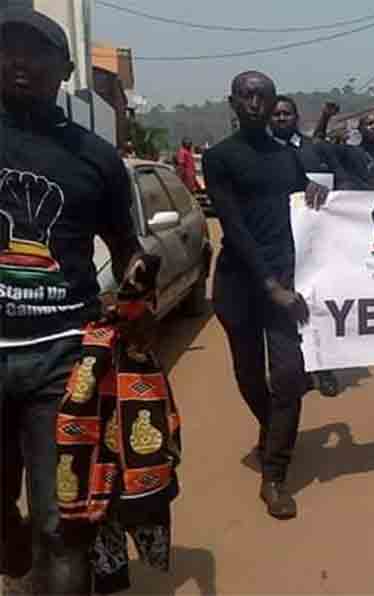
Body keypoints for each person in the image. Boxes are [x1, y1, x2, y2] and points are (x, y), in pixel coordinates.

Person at [0, 8, 147, 591]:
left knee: (63, 523)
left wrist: (139, 277)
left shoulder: (96, 158)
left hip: (63, 360)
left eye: (36, 53)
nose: (18, 62)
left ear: (63, 70)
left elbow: (128, 246)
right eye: (7, 48)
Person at [203, 71, 328, 520]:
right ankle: (272, 429)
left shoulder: (287, 158)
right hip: (241, 284)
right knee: (249, 375)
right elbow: (233, 228)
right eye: (246, 95)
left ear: (274, 100)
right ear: (233, 102)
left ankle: (274, 473)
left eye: (263, 95)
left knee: (291, 375)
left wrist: (318, 192)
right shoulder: (218, 158)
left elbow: (309, 207)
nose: (255, 103)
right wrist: (269, 285)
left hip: (284, 285)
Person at [270, 96, 374, 399]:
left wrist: (337, 196)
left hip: (315, 243)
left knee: (317, 304)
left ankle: (323, 368)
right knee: (285, 310)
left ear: (295, 116)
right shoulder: (263, 154)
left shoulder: (314, 149)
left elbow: (344, 179)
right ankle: (296, 370)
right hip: (278, 243)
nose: (280, 118)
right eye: (275, 114)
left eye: (286, 113)